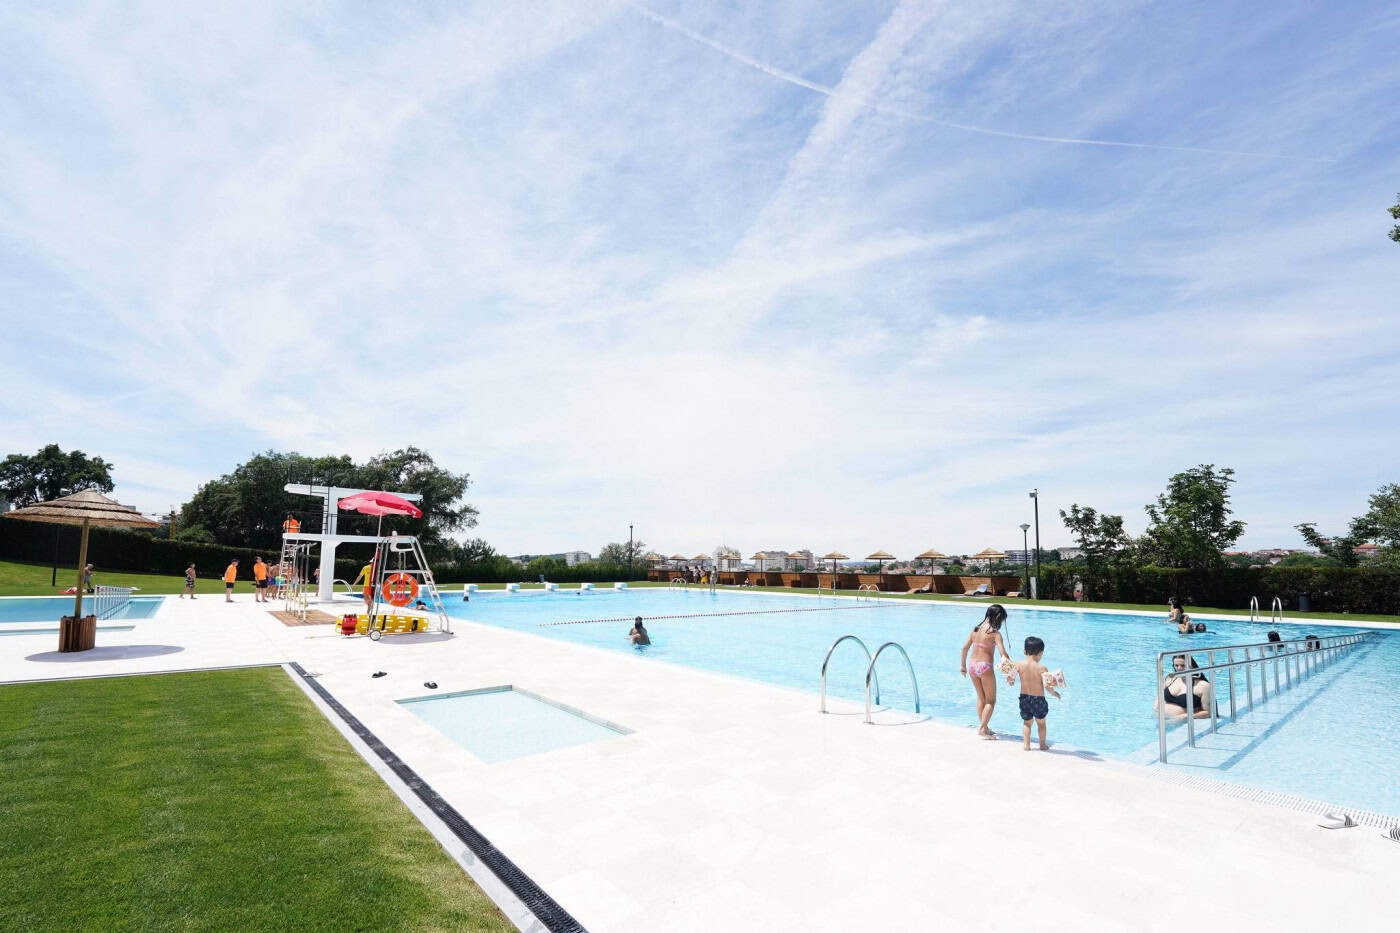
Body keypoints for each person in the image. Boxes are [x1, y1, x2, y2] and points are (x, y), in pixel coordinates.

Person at [959, 603, 1011, 739]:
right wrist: (1010, 669)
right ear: (997, 617)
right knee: (991, 701)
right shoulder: (995, 634)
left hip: (972, 666)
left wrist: (963, 666)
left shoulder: (975, 630)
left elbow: (964, 648)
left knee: (981, 698)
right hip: (985, 667)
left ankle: (984, 726)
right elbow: (1003, 653)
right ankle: (982, 729)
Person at [1006, 635, 1061, 750]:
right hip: (1038, 700)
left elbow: (1010, 678)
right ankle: (1042, 745)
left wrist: (1011, 682)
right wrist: (1054, 693)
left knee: (1027, 723)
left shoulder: (1018, 665)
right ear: (1041, 653)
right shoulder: (1042, 668)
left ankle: (1026, 745)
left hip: (1024, 698)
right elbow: (1047, 686)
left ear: (1024, 651)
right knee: (1041, 723)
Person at [1155, 654, 1213, 719]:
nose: (1179, 668)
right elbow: (1159, 700)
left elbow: (1208, 713)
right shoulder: (1170, 679)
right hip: (1160, 719)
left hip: (1182, 722)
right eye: (1176, 665)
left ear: (1192, 666)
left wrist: (1185, 716)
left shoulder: (1204, 686)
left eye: (1183, 665)